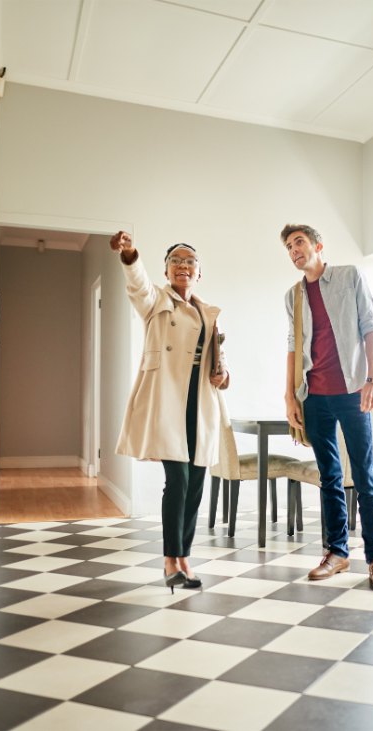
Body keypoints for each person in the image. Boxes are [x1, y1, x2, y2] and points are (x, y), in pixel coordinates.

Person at [111, 231, 231, 593]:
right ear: (166, 272)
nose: (183, 266)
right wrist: (130, 254)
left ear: (199, 273)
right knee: (177, 480)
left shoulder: (209, 313)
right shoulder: (155, 303)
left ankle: (184, 558)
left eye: (190, 261)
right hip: (167, 400)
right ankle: (170, 560)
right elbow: (138, 286)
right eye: (175, 261)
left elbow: (219, 363)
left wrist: (223, 375)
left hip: (200, 402)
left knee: (196, 483)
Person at [283, 223, 373, 590]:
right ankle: (336, 552)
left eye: (299, 242)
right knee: (329, 476)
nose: (294, 250)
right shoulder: (293, 296)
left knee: (364, 475)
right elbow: (293, 346)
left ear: (318, 245)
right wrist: (290, 396)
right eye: (289, 246)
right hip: (314, 395)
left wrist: (372, 379)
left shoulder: (349, 277)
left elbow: (369, 327)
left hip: (352, 390)